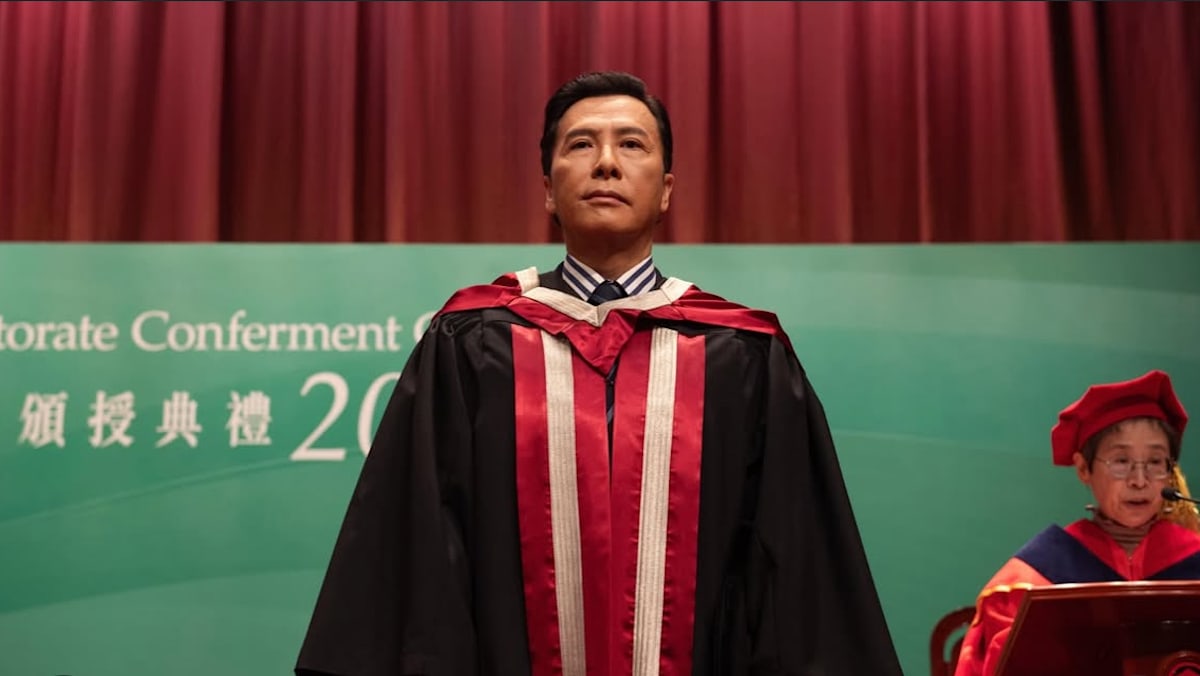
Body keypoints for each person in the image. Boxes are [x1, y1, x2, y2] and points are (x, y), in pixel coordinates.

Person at [295, 71, 901, 675]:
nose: (606, 162)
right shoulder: (471, 344)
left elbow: (795, 578)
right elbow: (421, 560)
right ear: (548, 191)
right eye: (581, 144)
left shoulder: (741, 354)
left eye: (631, 144)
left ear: (665, 191)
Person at [954, 370, 1200, 676]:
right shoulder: (1036, 575)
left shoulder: (1193, 559)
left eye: (1155, 462)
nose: (1140, 480)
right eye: (1121, 462)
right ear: (1083, 468)